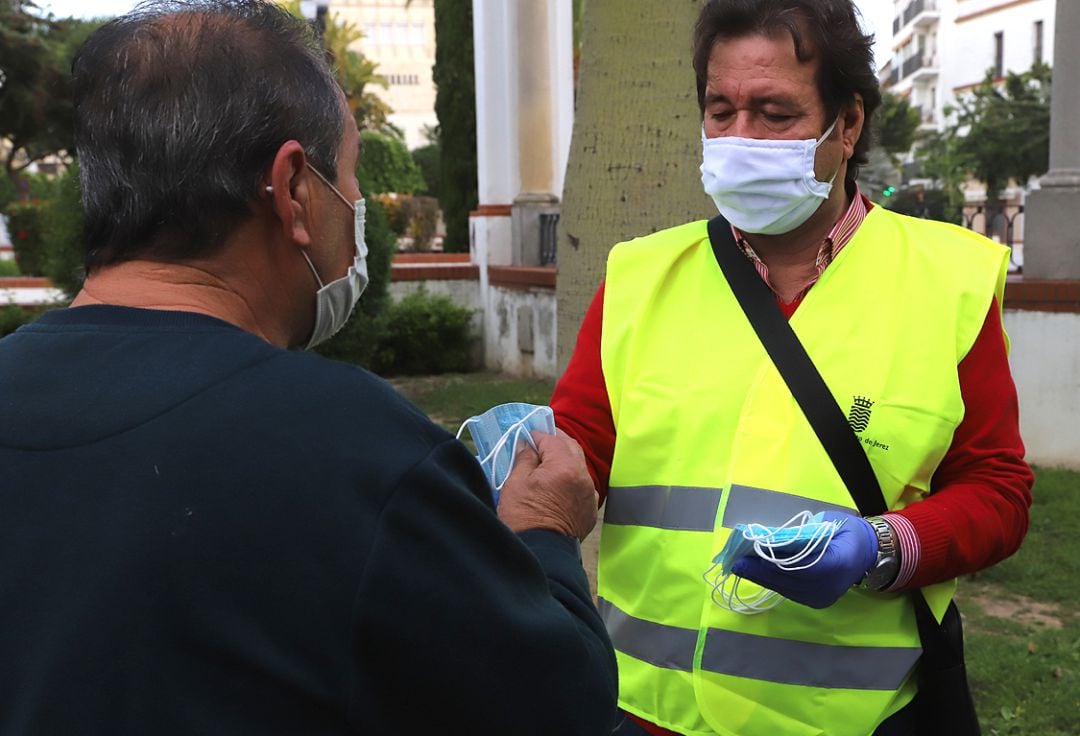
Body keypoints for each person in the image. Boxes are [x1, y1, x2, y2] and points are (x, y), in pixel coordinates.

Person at [0, 1, 617, 733]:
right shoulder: (355, 451)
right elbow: (558, 708)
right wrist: (543, 533)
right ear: (294, 188)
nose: (355, 211)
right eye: (349, 181)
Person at [551, 1, 1033, 735]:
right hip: (648, 711)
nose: (740, 138)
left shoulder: (947, 284)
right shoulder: (640, 278)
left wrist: (884, 547)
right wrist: (523, 463)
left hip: (848, 719)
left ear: (848, 124)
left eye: (775, 114)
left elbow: (997, 491)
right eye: (721, 110)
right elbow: (575, 454)